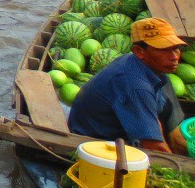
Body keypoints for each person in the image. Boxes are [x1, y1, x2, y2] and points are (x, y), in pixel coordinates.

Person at [68, 18, 188, 154]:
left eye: (176, 49)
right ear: (139, 51)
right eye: (164, 50)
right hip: (98, 145)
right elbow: (153, 146)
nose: (174, 57)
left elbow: (153, 116)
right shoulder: (135, 86)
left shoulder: (139, 63)